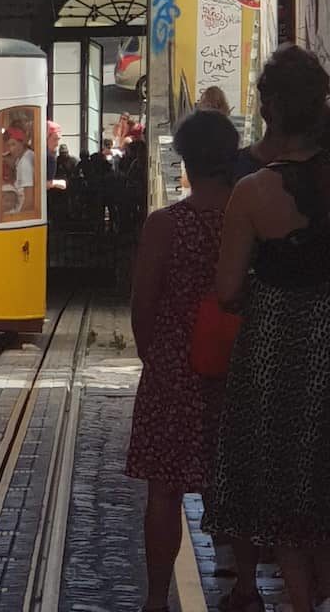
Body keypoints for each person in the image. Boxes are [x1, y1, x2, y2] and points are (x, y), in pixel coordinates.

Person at [203, 45, 330, 612]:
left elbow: (228, 289)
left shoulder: (252, 193)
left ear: (270, 110)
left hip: (279, 359)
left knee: (288, 501)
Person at [127, 109, 243, 612]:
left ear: (187, 162)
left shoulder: (165, 226)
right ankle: (247, 588)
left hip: (175, 369)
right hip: (239, 369)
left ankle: (156, 598)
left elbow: (142, 305)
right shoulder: (251, 223)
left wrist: (157, 357)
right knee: (241, 484)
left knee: (165, 491)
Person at [4, 125, 35, 213]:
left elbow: (29, 199)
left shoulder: (25, 162)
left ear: (22, 143)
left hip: (23, 211)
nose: (11, 149)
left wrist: (18, 217)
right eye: (8, 145)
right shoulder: (25, 156)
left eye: (13, 144)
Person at [46, 120, 67, 191]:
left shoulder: (51, 156)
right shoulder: (33, 156)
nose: (57, 144)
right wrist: (56, 183)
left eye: (58, 140)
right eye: (55, 139)